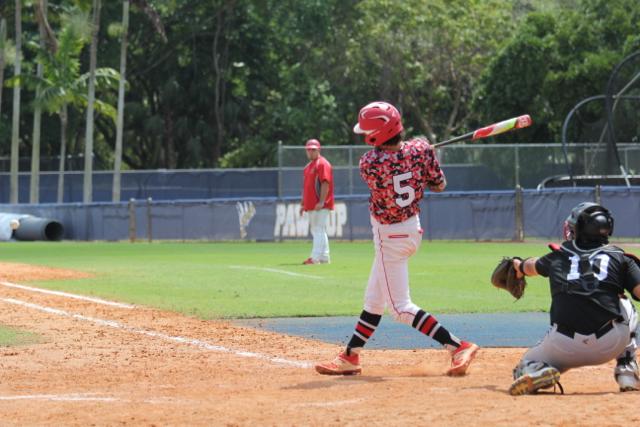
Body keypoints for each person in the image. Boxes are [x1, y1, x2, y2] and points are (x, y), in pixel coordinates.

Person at [315, 101, 479, 376]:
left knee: (400, 308)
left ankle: (457, 346)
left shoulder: (369, 163)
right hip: (411, 230)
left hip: (389, 237)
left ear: (376, 135)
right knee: (374, 301)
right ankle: (350, 356)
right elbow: (439, 185)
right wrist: (423, 153)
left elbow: (390, 163)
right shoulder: (420, 150)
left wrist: (418, 153)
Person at [507, 202, 640, 395]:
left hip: (563, 345)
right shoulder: (621, 258)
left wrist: (518, 265)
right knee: (625, 303)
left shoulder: (557, 256)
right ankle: (627, 369)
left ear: (577, 228)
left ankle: (539, 370)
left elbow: (530, 266)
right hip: (611, 342)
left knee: (523, 366)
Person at [299, 138, 334, 265]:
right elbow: (306, 187)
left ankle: (315, 258)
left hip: (320, 204)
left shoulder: (322, 163)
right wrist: (303, 203)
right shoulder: (308, 167)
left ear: (319, 149)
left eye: (313, 149)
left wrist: (322, 201)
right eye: (308, 149)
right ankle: (324, 256)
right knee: (318, 230)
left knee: (318, 229)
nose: (310, 152)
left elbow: (325, 183)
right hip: (311, 204)